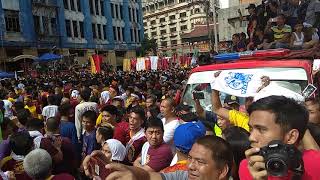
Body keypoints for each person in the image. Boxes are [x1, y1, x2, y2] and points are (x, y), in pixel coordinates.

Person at [239, 96, 320, 179]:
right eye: (251, 129)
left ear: (291, 137)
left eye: (261, 129)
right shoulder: (248, 168)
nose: (251, 137)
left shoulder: (316, 165)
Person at [105, 135, 233, 180]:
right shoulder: (185, 176)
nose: (190, 166)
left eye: (200, 161)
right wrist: (116, 167)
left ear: (222, 171)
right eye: (190, 158)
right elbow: (149, 177)